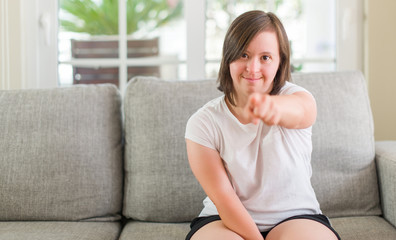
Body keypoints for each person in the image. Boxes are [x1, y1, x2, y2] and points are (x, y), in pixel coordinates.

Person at [184, 10, 341, 240]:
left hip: (296, 217)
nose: (253, 68)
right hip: (224, 221)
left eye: (265, 57)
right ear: (228, 58)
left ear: (280, 63)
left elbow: (300, 112)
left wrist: (271, 108)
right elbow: (224, 198)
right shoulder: (203, 122)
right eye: (244, 55)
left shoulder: (298, 98)